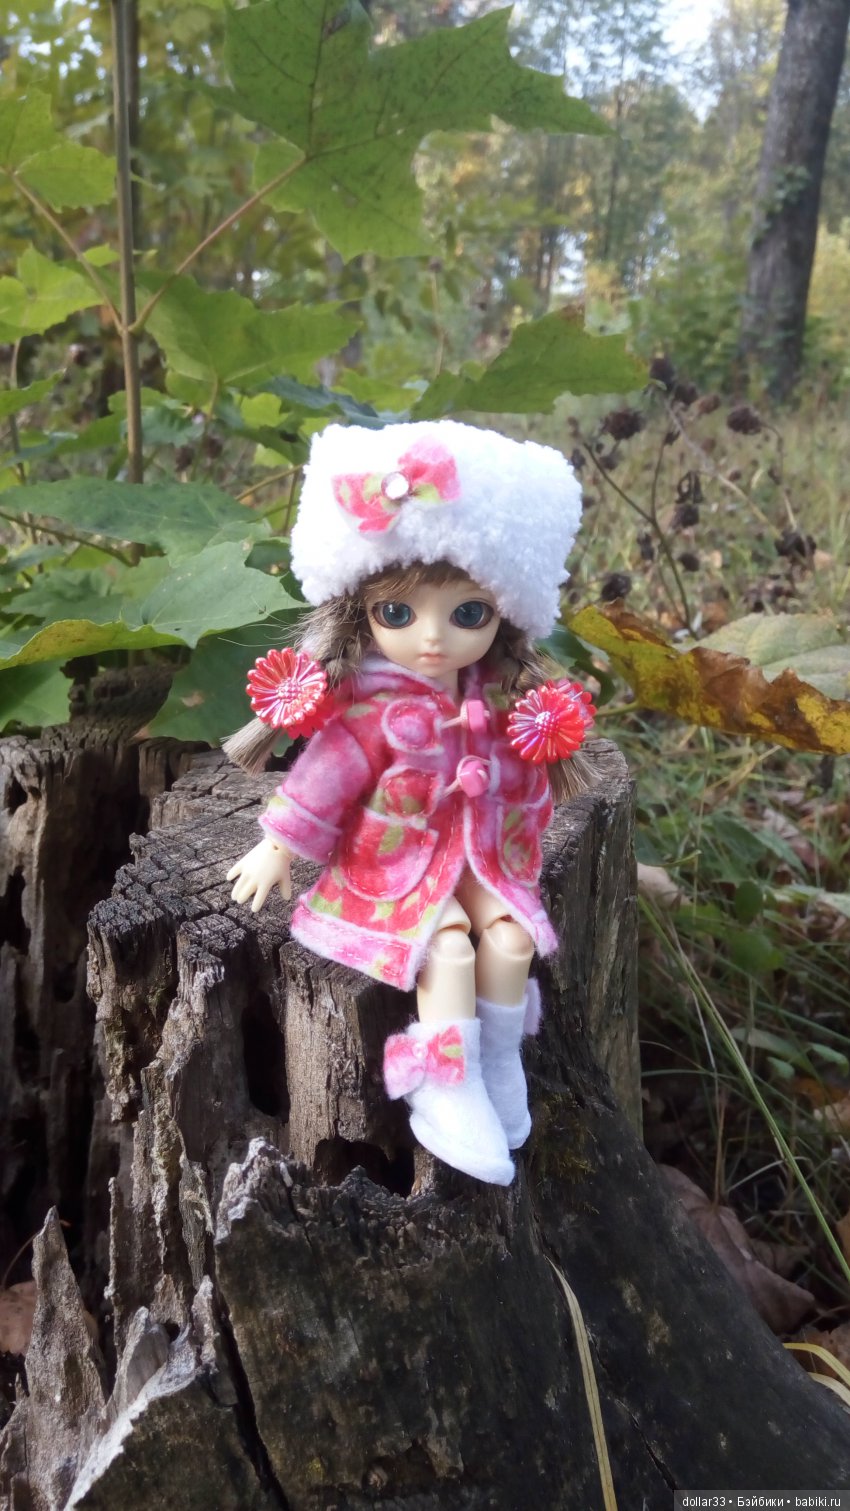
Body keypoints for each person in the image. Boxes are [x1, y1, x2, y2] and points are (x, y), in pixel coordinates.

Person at [226, 419, 592, 1186]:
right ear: (359, 611)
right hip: (390, 868)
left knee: (511, 939)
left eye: (468, 613)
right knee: (448, 946)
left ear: (502, 616)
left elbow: (523, 788)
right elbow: (326, 773)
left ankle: (496, 1059)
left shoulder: (497, 698)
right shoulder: (373, 710)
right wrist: (278, 842)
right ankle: (443, 1078)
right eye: (397, 613)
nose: (433, 639)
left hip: (474, 855)